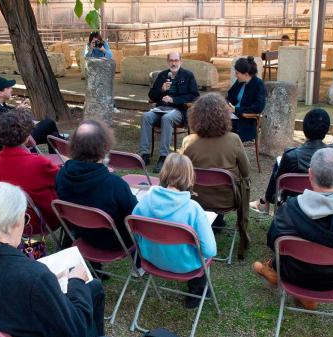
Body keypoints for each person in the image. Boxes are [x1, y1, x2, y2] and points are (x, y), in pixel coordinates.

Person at [0, 182, 105, 337]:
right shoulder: (35, 277)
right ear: (14, 222)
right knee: (92, 287)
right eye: (24, 219)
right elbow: (75, 331)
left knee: (94, 287)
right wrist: (76, 281)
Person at [253, 148, 333, 309]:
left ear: (309, 174)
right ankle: (301, 294)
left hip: (293, 274)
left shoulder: (289, 209)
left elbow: (271, 242)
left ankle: (277, 275)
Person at [132, 153, 217, 308]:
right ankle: (196, 294)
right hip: (187, 265)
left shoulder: (143, 202)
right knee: (201, 257)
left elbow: (136, 235)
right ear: (190, 177)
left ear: (163, 173)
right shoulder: (194, 210)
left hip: (151, 259)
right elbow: (210, 251)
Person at [179, 92, 250, 259]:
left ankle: (214, 220)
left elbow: (181, 172)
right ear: (224, 116)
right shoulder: (234, 140)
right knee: (236, 181)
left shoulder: (188, 141)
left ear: (196, 116)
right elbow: (246, 173)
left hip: (197, 199)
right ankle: (218, 220)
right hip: (228, 199)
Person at [56, 119, 137, 251]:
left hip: (81, 233)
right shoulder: (115, 184)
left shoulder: (61, 174)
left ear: (74, 145)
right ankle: (138, 263)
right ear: (105, 147)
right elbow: (135, 217)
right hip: (117, 241)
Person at [250, 108, 333, 214]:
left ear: (304, 129)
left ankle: (263, 201)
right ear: (326, 130)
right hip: (324, 204)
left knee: (279, 165)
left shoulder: (291, 155)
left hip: (293, 204)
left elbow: (278, 183)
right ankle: (263, 201)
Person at [0, 110, 59, 229]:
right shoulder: (39, 163)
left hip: (14, 217)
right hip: (45, 219)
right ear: (27, 137)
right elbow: (62, 181)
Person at [139, 52, 199, 173]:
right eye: (171, 60)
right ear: (168, 62)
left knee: (167, 118)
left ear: (181, 61)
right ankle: (144, 154)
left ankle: (163, 157)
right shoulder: (162, 75)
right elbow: (151, 95)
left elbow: (194, 96)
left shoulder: (188, 75)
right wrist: (162, 89)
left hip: (178, 110)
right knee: (146, 116)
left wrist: (174, 99)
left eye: (176, 60)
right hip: (160, 109)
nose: (174, 63)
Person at [0, 76, 62, 153]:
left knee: (51, 133)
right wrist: (21, 113)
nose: (11, 89)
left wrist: (18, 109)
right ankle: (63, 144)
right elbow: (11, 124)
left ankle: (57, 152)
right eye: (8, 88)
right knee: (49, 122)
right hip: (15, 139)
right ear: (0, 93)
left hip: (16, 135)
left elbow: (9, 113)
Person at [227, 56, 266, 142]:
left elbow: (258, 108)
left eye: (237, 73)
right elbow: (229, 97)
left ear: (246, 74)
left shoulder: (259, 85)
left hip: (246, 122)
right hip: (233, 116)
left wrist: (236, 110)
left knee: (219, 128)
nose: (235, 75)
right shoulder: (239, 82)